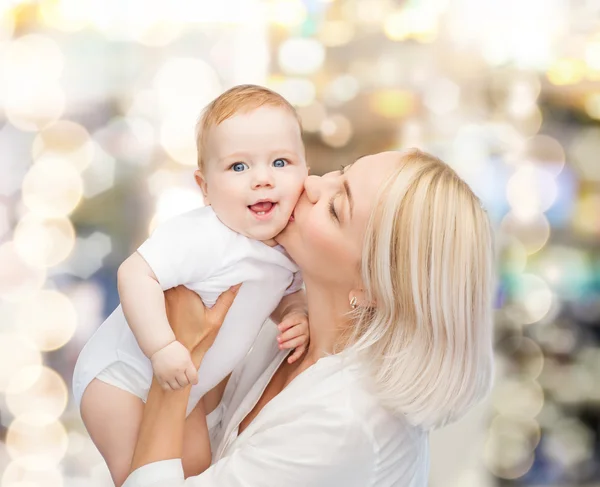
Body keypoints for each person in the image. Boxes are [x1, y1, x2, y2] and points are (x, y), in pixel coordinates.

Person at [122, 148, 496, 487]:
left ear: (372, 289)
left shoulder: (345, 423)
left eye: (336, 209)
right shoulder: (293, 330)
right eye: (340, 173)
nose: (312, 184)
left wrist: (177, 360)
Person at [72, 85, 312, 486]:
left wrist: (295, 313)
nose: (263, 179)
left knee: (199, 469)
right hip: (120, 379)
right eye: (239, 167)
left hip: (187, 388)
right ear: (204, 187)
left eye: (281, 161)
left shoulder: (288, 244)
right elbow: (135, 274)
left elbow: (282, 292)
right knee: (138, 472)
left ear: (306, 168)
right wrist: (162, 346)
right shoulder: (205, 236)